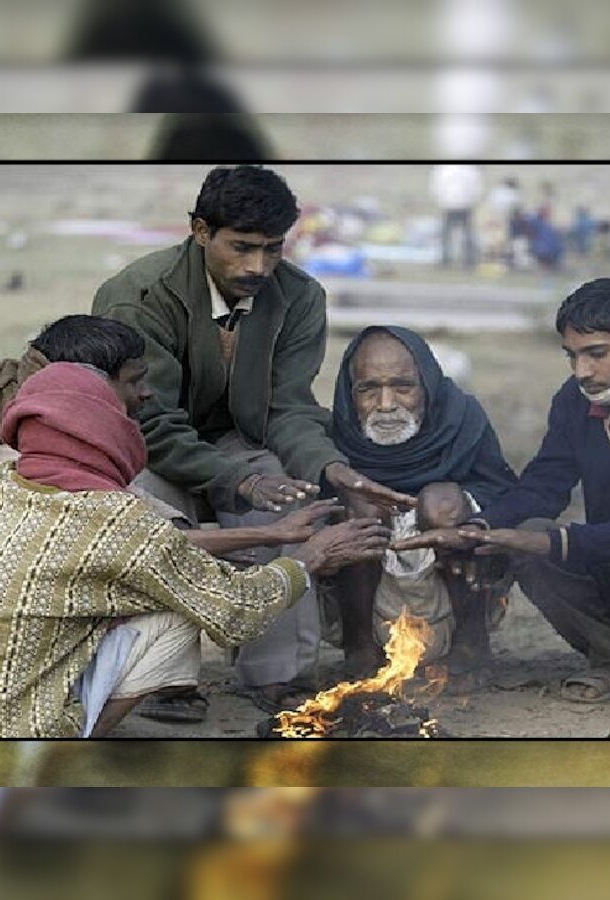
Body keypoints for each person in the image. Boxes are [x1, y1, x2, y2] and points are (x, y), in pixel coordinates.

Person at [0, 349, 391, 738]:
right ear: (101, 425)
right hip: (15, 737)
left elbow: (155, 551)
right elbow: (234, 609)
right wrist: (311, 557)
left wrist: (275, 534)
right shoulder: (111, 518)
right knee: (177, 612)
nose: (143, 397)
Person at [91, 164, 413, 712]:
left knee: (293, 506)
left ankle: (276, 675)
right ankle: (163, 680)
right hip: (144, 445)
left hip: (238, 441)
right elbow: (149, 420)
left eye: (272, 249)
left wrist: (330, 469)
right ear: (199, 232)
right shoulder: (138, 296)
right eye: (241, 247)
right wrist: (239, 481)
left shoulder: (300, 296)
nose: (257, 266)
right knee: (154, 524)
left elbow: (287, 407)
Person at [396, 278, 610, 716]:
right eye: (573, 356)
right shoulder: (575, 402)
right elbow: (544, 484)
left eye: (596, 353)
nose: (582, 371)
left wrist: (563, 542)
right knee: (526, 535)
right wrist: (479, 528)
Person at [327, 326, 517, 681]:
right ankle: (360, 648)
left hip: (450, 585)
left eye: (403, 387)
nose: (386, 404)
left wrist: (467, 527)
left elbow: (504, 493)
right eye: (368, 389)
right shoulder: (337, 433)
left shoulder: (462, 419)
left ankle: (470, 642)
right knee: (360, 504)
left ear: (427, 384)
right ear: (349, 392)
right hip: (367, 593)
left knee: (441, 503)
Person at [429, 164, 483, 270]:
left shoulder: (443, 169)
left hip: (453, 205)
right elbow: (476, 188)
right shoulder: (470, 170)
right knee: (462, 234)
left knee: (451, 234)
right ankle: (465, 260)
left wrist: (442, 201)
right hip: (460, 205)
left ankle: (449, 259)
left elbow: (437, 188)